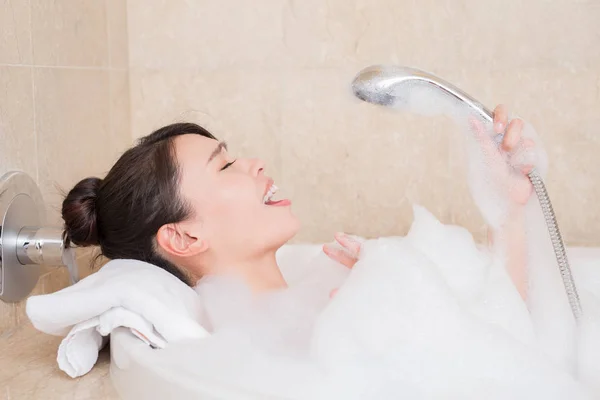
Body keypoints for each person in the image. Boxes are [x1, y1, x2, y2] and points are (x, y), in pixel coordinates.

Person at [62, 104, 533, 299]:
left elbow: (505, 338)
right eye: (224, 166)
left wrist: (506, 205)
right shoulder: (254, 350)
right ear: (184, 235)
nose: (256, 164)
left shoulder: (314, 307)